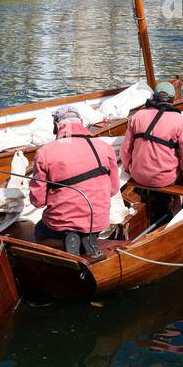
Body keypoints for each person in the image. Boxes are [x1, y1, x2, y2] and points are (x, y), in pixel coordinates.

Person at [29, 106, 119, 259]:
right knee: (86, 226)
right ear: (82, 123)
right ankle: (87, 238)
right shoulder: (105, 147)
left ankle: (66, 242)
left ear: (56, 126)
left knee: (39, 232)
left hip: (60, 225)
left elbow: (38, 201)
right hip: (97, 222)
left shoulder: (45, 152)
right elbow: (113, 189)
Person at [120, 83, 183, 212]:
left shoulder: (137, 116)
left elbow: (126, 149)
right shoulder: (180, 120)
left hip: (137, 175)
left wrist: (129, 168)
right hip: (165, 179)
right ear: (172, 100)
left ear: (153, 97)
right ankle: (176, 208)